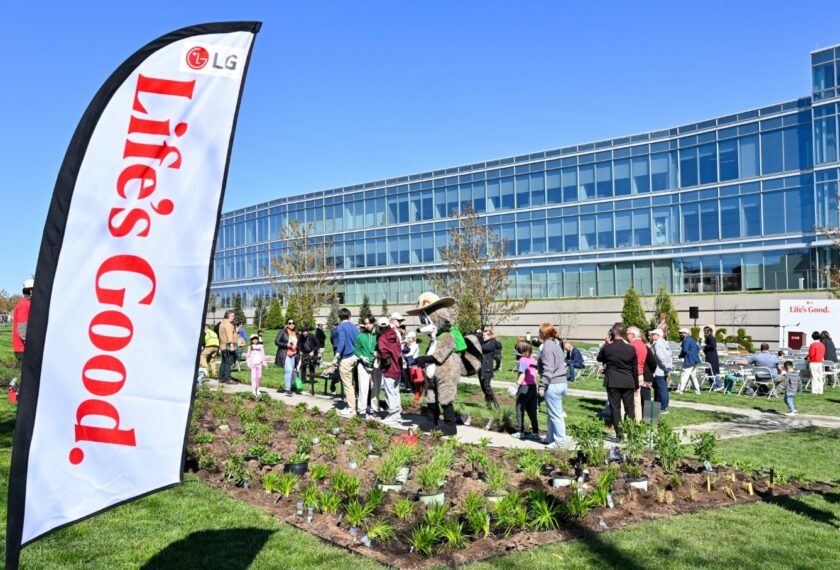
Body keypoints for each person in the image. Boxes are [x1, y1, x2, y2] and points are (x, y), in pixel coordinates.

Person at [409, 292, 461, 435]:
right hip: (432, 375)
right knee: (431, 396)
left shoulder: (447, 336)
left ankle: (450, 425)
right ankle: (431, 420)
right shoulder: (434, 340)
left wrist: (424, 359)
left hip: (445, 374)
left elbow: (439, 355)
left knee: (445, 397)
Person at [597, 323, 638, 440]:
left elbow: (599, 358)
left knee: (615, 408)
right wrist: (636, 385)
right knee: (630, 408)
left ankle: (619, 434)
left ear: (613, 333)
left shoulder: (608, 348)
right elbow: (634, 368)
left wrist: (606, 344)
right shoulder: (631, 348)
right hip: (628, 381)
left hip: (613, 381)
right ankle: (631, 434)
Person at [538, 324, 567, 448]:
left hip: (553, 384)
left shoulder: (547, 347)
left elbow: (549, 369)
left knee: (556, 415)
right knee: (552, 413)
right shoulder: (556, 345)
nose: (538, 334)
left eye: (539, 332)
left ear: (544, 334)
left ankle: (560, 442)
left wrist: (542, 385)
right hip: (562, 382)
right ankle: (550, 437)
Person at [377, 316, 404, 425]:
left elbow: (384, 353)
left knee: (390, 392)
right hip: (398, 366)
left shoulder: (382, 338)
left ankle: (392, 414)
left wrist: (378, 355)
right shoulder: (395, 334)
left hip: (389, 368)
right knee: (396, 392)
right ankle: (397, 414)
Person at [333, 308, 359, 415]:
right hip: (356, 356)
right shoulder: (354, 327)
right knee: (354, 382)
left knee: (347, 384)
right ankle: (356, 404)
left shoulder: (341, 327)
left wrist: (336, 356)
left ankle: (351, 408)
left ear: (339, 317)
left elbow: (342, 342)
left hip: (346, 357)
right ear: (350, 316)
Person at [512, 340, 539, 439]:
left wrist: (516, 386)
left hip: (524, 387)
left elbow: (522, 374)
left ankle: (520, 431)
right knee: (532, 410)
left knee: (520, 409)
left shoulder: (522, 360)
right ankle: (535, 432)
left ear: (521, 350)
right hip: (533, 387)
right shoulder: (533, 359)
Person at [354, 316, 378, 417]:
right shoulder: (360, 336)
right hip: (363, 365)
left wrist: (378, 353)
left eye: (368, 323)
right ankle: (362, 410)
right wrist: (361, 356)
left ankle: (374, 409)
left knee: (375, 387)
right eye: (365, 323)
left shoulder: (378, 335)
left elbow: (383, 347)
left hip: (376, 364)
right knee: (363, 388)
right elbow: (356, 349)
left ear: (373, 323)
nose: (367, 325)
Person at [626, 327, 648, 421]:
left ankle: (622, 423)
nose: (627, 336)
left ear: (632, 334)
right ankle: (638, 421)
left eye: (627, 333)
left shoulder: (631, 345)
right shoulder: (643, 345)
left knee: (624, 400)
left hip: (630, 374)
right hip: (640, 374)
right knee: (637, 400)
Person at [649, 329, 672, 414]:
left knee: (662, 389)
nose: (651, 336)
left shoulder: (657, 344)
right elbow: (670, 355)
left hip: (659, 370)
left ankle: (664, 407)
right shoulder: (665, 343)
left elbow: (660, 356)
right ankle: (658, 405)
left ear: (658, 335)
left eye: (653, 334)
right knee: (660, 389)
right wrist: (668, 367)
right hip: (664, 370)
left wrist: (664, 366)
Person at [274, 319, 299, 396]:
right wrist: (286, 345)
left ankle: (290, 387)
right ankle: (287, 389)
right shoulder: (283, 332)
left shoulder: (296, 333)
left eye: (293, 323)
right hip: (285, 353)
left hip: (293, 354)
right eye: (290, 323)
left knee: (292, 371)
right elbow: (276, 341)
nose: (291, 324)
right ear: (287, 324)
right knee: (288, 370)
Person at [479, 329, 502, 409]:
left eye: (484, 335)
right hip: (482, 367)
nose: (483, 337)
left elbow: (482, 348)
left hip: (487, 367)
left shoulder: (491, 344)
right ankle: (488, 404)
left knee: (487, 386)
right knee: (483, 386)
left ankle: (496, 404)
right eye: (482, 336)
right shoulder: (485, 342)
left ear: (489, 335)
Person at [12, 279, 33, 362]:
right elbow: (22, 329)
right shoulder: (24, 304)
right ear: (30, 290)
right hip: (23, 349)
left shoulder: (27, 303)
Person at [677, 328, 701, 394]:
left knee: (684, 374)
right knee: (693, 375)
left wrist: (680, 356)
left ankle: (680, 390)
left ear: (685, 333)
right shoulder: (691, 339)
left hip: (689, 359)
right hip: (695, 359)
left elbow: (684, 350)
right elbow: (698, 348)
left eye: (681, 333)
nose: (680, 334)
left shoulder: (686, 340)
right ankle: (697, 390)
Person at [403, 331, 423, 402]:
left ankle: (417, 392)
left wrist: (403, 355)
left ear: (413, 338)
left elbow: (410, 354)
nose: (408, 339)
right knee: (410, 377)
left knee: (416, 379)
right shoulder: (409, 345)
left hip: (415, 363)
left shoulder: (415, 345)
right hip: (409, 363)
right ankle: (412, 390)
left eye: (409, 338)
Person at [298, 326, 320, 393]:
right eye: (303, 332)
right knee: (303, 366)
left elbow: (318, 344)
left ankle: (312, 380)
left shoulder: (312, 336)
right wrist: (300, 350)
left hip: (312, 352)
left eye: (305, 332)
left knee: (311, 366)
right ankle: (303, 379)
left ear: (307, 332)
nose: (304, 333)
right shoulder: (300, 337)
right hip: (305, 352)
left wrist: (313, 351)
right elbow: (299, 344)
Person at [218, 310, 237, 384]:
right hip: (228, 346)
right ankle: (228, 378)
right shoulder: (228, 324)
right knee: (228, 362)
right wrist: (232, 345)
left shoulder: (222, 323)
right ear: (228, 315)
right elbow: (229, 335)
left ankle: (221, 378)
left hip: (222, 346)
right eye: (232, 316)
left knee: (224, 362)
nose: (233, 317)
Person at [701, 326, 722, 390]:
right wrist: (703, 348)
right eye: (704, 331)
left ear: (709, 332)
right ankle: (713, 386)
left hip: (712, 357)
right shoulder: (707, 338)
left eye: (705, 331)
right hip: (709, 356)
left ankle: (719, 385)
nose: (704, 333)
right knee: (709, 372)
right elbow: (707, 349)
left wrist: (705, 345)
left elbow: (713, 346)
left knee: (712, 372)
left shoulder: (711, 338)